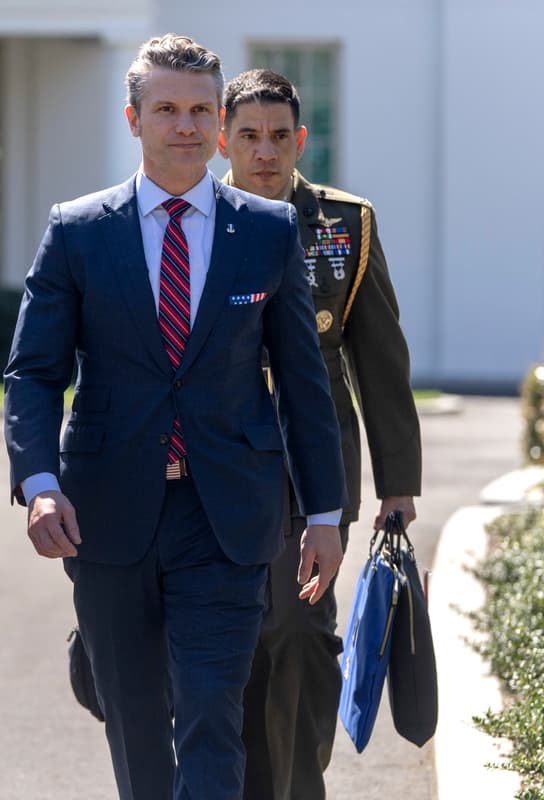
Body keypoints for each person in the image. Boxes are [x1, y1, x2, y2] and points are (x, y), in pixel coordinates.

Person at [3, 34, 348, 799]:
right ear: (134, 119)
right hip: (108, 510)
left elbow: (302, 383)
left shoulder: (268, 230)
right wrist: (39, 484)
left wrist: (324, 512)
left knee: (211, 717)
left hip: (225, 515)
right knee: (133, 718)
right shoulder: (78, 231)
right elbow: (34, 372)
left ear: (219, 123)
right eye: (166, 110)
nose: (185, 126)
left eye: (199, 110)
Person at [218, 68, 422, 800]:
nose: (265, 152)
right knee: (239, 639)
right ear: (223, 140)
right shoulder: (196, 218)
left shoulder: (346, 224)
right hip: (219, 458)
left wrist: (397, 485)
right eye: (249, 136)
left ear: (300, 140)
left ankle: (300, 785)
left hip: (315, 466)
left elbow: (380, 357)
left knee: (301, 634)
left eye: (279, 136)